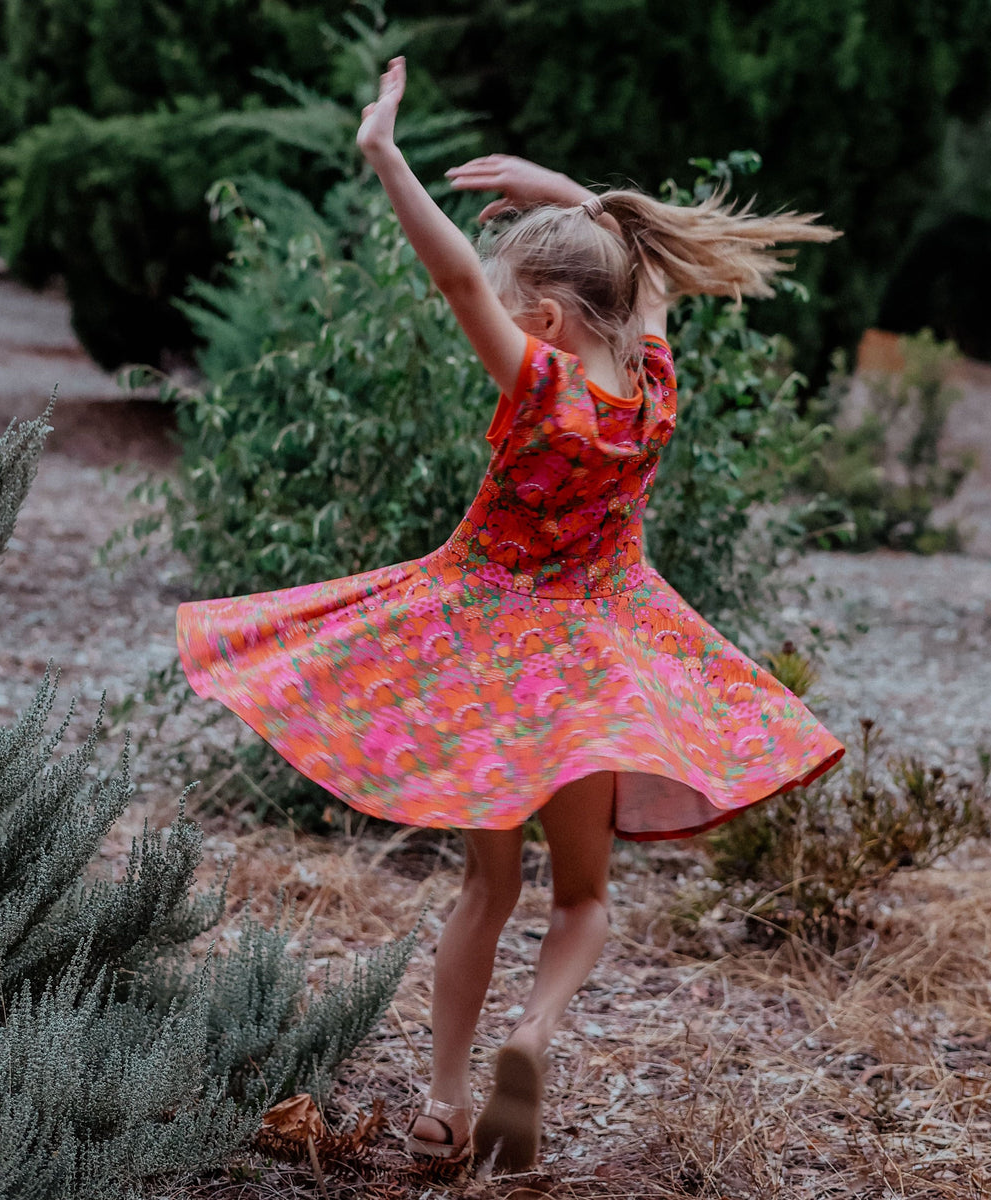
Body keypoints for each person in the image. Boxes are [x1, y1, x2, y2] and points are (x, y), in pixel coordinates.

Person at [176, 56, 844, 1173]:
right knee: (583, 899)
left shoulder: (540, 384)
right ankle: (530, 1037)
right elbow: (637, 274)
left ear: (541, 318)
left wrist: (386, 154)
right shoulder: (654, 382)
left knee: (487, 888)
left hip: (486, 658)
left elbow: (453, 276)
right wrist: (568, 197)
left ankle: (443, 1105)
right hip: (596, 669)